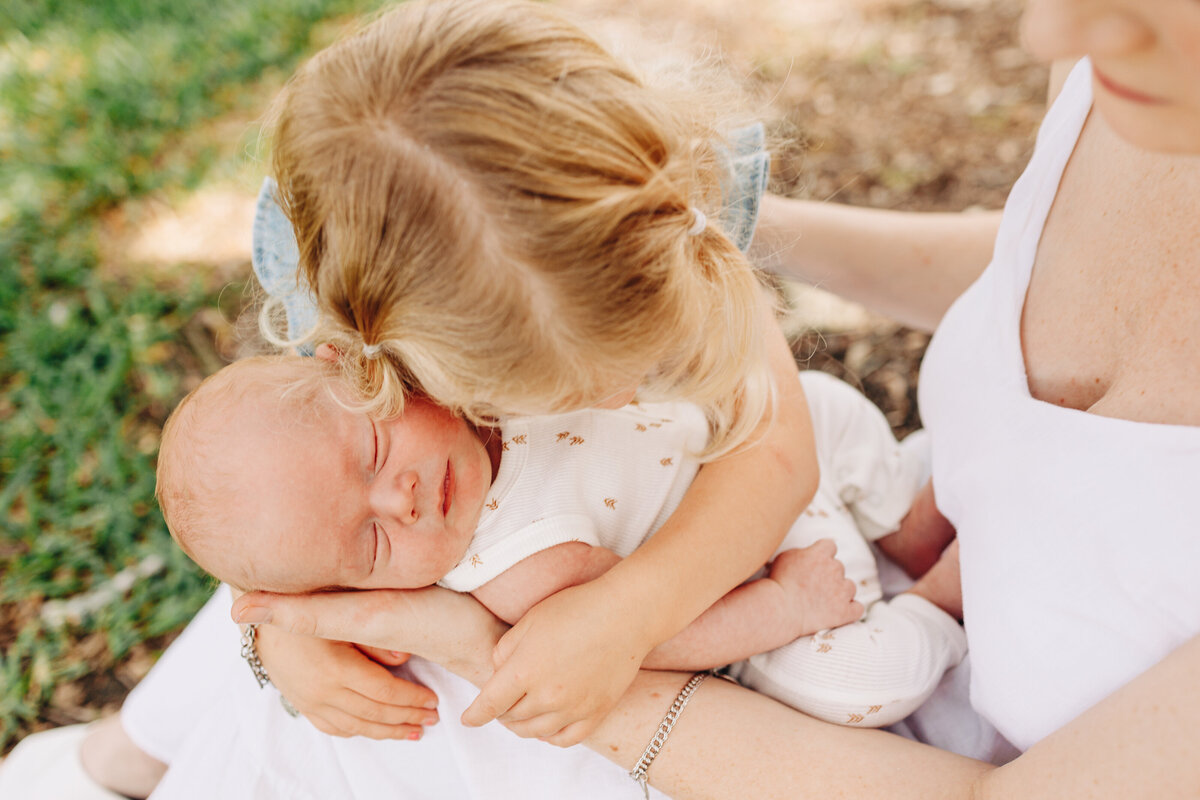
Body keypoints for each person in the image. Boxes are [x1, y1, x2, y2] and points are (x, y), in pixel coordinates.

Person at [227, 0, 1200, 796]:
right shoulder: (1133, 71)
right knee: (272, 650)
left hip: (801, 708)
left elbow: (772, 450)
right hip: (616, 594)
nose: (1048, 34)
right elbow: (273, 472)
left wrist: (541, 633)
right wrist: (280, 623)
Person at [155, 353, 964, 726]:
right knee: (864, 684)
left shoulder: (466, 361)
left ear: (361, 368)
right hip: (769, 574)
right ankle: (937, 600)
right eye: (370, 546)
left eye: (372, 453)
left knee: (825, 403)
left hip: (758, 453)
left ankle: (914, 527)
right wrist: (783, 607)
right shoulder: (515, 567)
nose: (398, 500)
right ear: (364, 596)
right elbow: (653, 634)